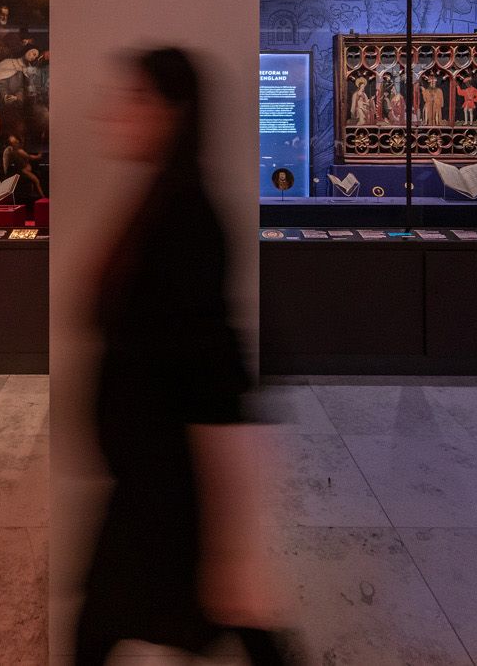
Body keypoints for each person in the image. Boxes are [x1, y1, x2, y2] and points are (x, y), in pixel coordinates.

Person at [77, 47, 294, 666]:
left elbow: (216, 386)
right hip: (147, 483)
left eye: (136, 98)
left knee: (108, 627)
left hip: (168, 492)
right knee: (219, 625)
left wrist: (236, 549)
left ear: (175, 113)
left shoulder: (189, 222)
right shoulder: (160, 203)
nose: (114, 112)